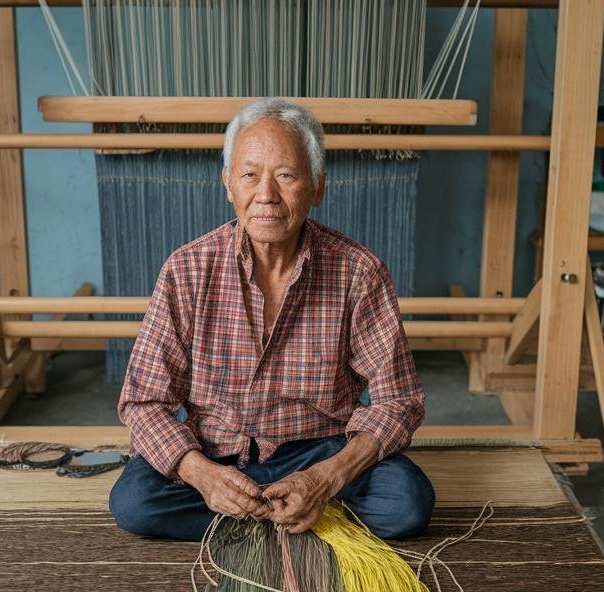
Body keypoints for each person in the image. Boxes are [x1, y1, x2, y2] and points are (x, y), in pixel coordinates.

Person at [109, 97, 433, 542]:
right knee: (135, 503)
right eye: (249, 175)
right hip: (217, 451)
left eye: (286, 176)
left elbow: (400, 401)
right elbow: (143, 402)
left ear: (318, 187)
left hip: (320, 448)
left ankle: (295, 503)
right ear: (228, 185)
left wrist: (327, 477)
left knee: (408, 504)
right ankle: (296, 516)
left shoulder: (358, 271)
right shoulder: (186, 269)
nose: (266, 195)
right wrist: (202, 475)